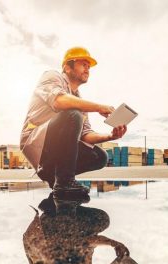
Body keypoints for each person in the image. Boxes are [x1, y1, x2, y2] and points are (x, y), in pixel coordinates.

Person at [20, 47, 127, 197]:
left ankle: (54, 176)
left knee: (100, 157)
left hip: (54, 147)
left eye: (89, 67)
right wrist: (98, 107)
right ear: (67, 67)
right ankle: (64, 182)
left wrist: (111, 136)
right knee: (72, 115)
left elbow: (86, 135)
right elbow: (58, 101)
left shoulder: (78, 100)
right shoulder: (52, 76)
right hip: (36, 140)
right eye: (83, 64)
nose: (87, 69)